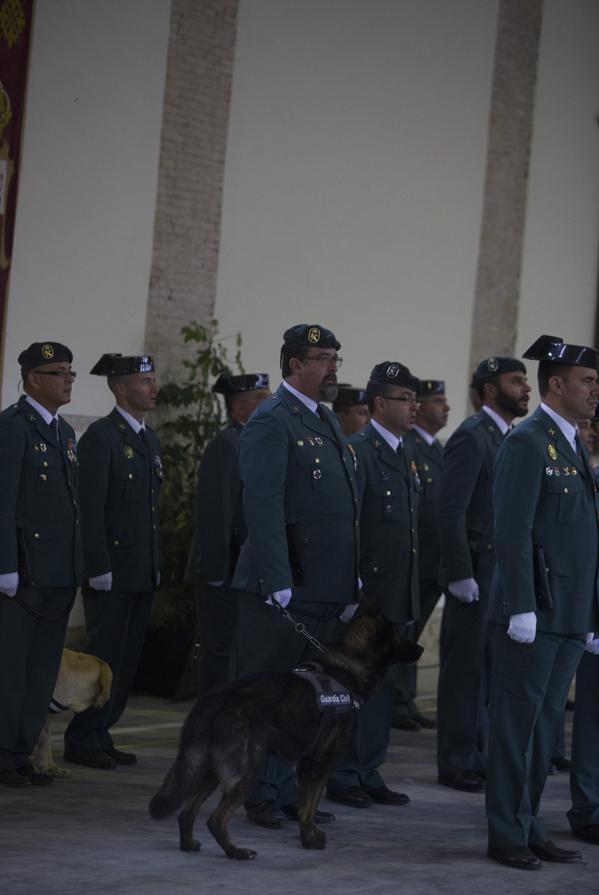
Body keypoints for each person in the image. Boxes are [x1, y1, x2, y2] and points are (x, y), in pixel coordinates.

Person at [232, 323, 360, 828]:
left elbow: (341, 509)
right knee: (270, 697)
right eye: (323, 359)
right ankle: (256, 793)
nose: (332, 368)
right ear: (295, 365)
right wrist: (275, 576)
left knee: (305, 700)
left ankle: (286, 790)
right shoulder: (272, 420)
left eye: (334, 359)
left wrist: (351, 576)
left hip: (323, 586)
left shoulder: (323, 419)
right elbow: (262, 503)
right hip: (287, 586)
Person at [485, 334, 599, 870]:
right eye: (587, 381)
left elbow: (582, 536)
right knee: (517, 729)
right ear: (556, 384)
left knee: (545, 728)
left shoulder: (572, 443)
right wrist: (520, 605)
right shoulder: (528, 442)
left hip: (570, 613)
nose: (595, 390)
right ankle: (506, 832)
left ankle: (528, 824)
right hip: (535, 612)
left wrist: (591, 612)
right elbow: (512, 529)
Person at [327, 361, 420, 808]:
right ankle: (343, 772)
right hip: (368, 596)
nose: (414, 407)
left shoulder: (405, 451)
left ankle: (369, 768)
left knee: (381, 687)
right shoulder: (359, 451)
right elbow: (349, 525)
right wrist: (353, 584)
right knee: (353, 687)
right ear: (380, 404)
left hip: (397, 592)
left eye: (415, 399)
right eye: (406, 399)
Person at [64, 354, 162, 770]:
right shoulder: (101, 438)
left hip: (140, 568)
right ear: (120, 388)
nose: (153, 388)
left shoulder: (148, 439)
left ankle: (102, 731)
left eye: (152, 380)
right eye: (144, 381)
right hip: (111, 570)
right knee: (103, 658)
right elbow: (90, 509)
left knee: (126, 659)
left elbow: (149, 512)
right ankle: (82, 737)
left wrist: (154, 563)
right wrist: (97, 565)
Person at [437, 356, 530, 792]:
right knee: (466, 671)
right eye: (516, 381)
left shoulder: (507, 437)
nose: (526, 388)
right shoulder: (473, 436)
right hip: (475, 572)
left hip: (499, 575)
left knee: (489, 670)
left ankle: (478, 752)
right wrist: (459, 572)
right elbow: (450, 512)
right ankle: (457, 759)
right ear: (490, 390)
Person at [0, 342, 81, 787]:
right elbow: (3, 501)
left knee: (41, 670)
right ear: (33, 379)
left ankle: (21, 751)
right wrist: (4, 565)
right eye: (58, 373)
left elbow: (72, 507)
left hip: (58, 572)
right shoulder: (13, 428)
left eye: (70, 373)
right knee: (11, 669)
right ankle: (3, 753)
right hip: (24, 573)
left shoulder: (64, 431)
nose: (68, 380)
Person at [189, 371, 270, 695]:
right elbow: (216, 512)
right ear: (238, 408)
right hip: (224, 571)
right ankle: (212, 717)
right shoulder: (227, 445)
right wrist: (215, 570)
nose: (270, 404)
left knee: (241, 652)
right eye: (261, 399)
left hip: (245, 570)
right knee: (221, 651)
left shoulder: (254, 442)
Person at [394, 379, 450, 731]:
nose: (446, 408)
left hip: (434, 561)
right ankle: (397, 700)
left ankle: (406, 699)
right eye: (438, 401)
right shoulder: (410, 446)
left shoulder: (438, 450)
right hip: (416, 559)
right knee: (404, 633)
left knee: (413, 635)